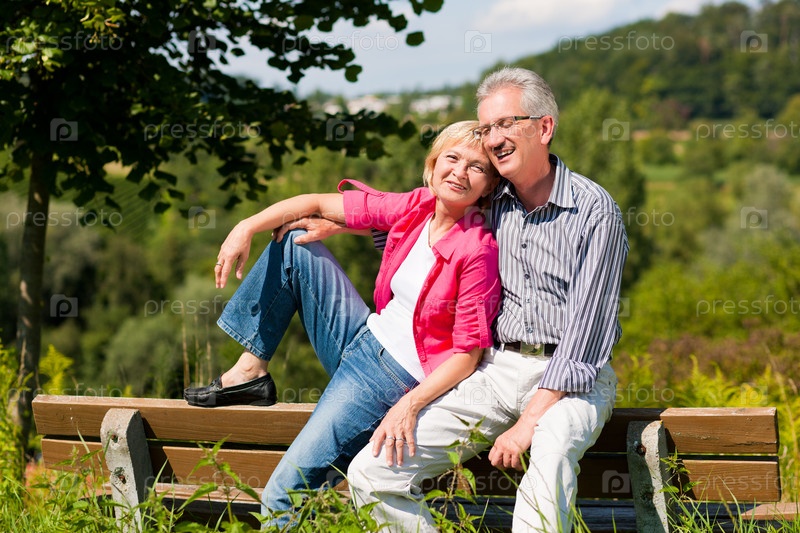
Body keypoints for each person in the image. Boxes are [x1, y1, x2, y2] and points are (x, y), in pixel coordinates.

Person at [283, 67, 629, 532]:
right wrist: (342, 224)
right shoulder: (491, 196)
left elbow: (588, 335)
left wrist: (528, 421)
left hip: (570, 379)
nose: (494, 139)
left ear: (544, 127)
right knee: (373, 471)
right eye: (487, 128)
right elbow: (422, 212)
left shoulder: (593, 211)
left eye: (507, 124)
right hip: (494, 370)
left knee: (549, 454)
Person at [182, 121, 503, 527]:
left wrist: (409, 404)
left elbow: (467, 355)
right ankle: (250, 370)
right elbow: (315, 201)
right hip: (361, 336)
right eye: (452, 158)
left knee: (282, 496)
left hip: (388, 379)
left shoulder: (478, 249)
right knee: (294, 242)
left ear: (489, 185)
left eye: (477, 167)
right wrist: (245, 227)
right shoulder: (418, 206)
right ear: (432, 164)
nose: (460, 172)